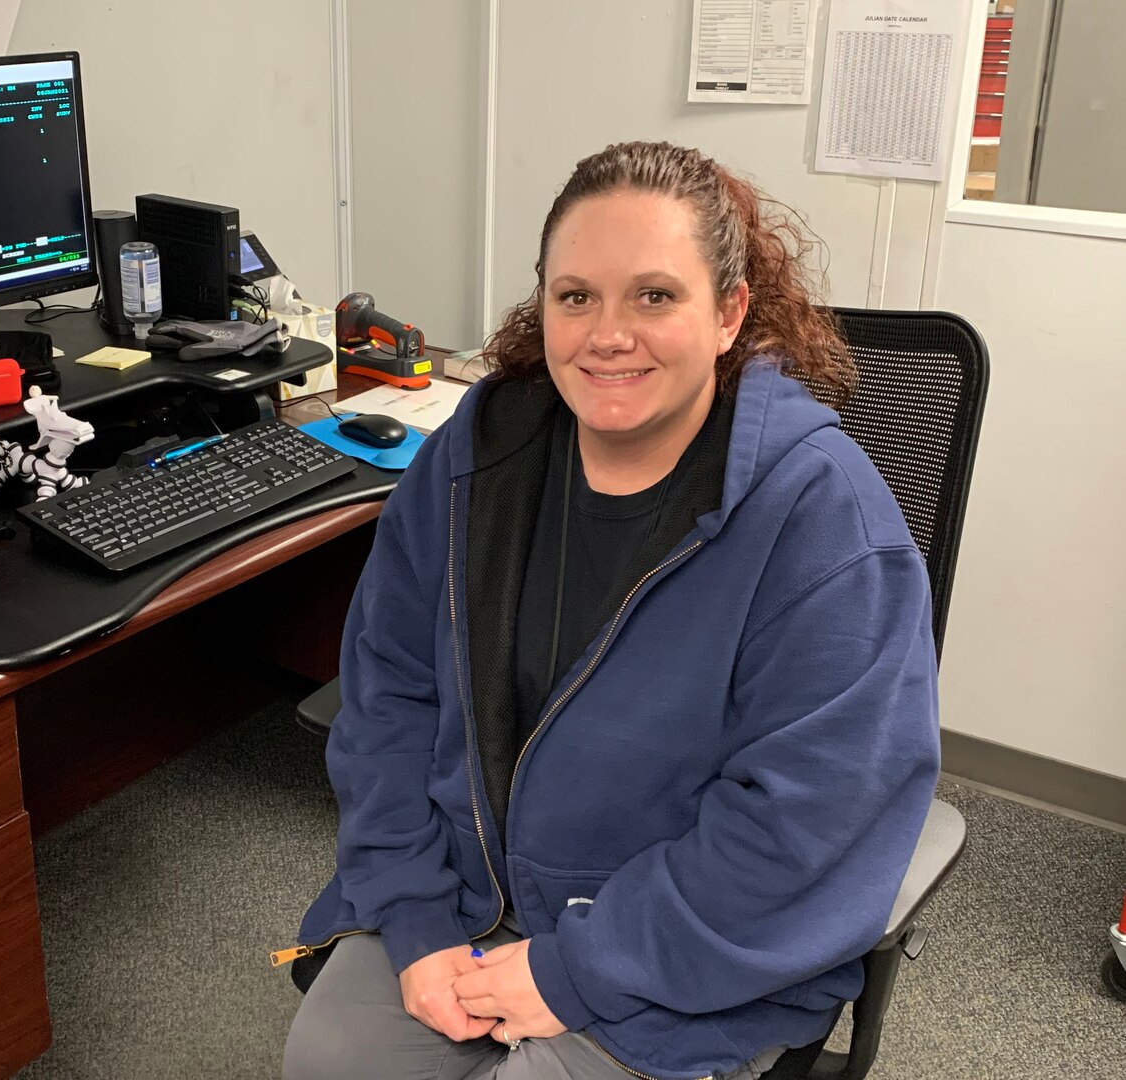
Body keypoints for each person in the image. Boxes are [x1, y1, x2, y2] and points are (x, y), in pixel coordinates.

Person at [280, 141, 940, 1080]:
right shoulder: (480, 456)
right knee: (330, 1066)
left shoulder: (822, 519)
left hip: (682, 945)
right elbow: (390, 696)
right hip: (467, 890)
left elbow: (807, 824)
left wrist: (578, 967)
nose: (607, 334)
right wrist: (416, 915)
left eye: (655, 296)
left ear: (729, 314)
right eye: (575, 295)